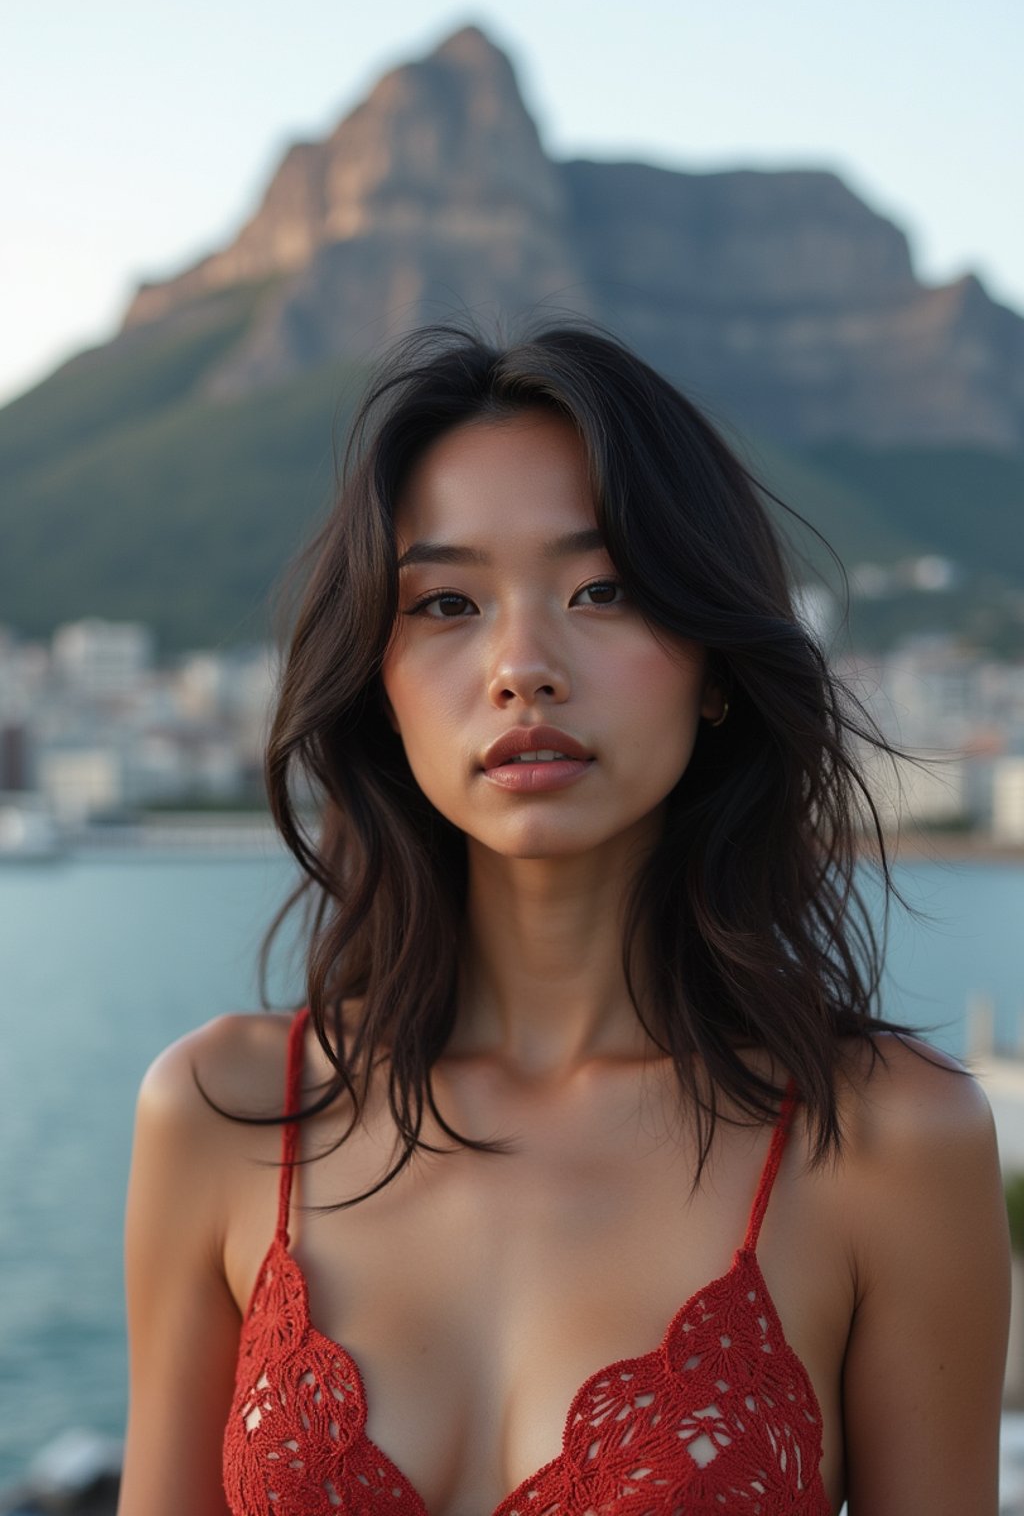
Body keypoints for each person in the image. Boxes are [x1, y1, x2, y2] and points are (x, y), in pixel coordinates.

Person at [117, 322, 1010, 1516]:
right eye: (444, 602)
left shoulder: (890, 1144)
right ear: (376, 690)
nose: (521, 665)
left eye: (605, 589)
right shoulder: (223, 1114)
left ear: (717, 667)